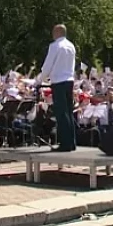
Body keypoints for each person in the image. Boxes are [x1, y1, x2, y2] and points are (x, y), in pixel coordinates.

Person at [36, 24, 77, 152]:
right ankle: (71, 142)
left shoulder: (55, 46)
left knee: (61, 113)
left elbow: (48, 65)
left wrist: (39, 79)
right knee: (69, 112)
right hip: (69, 80)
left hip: (58, 81)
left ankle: (65, 144)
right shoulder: (71, 46)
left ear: (57, 32)